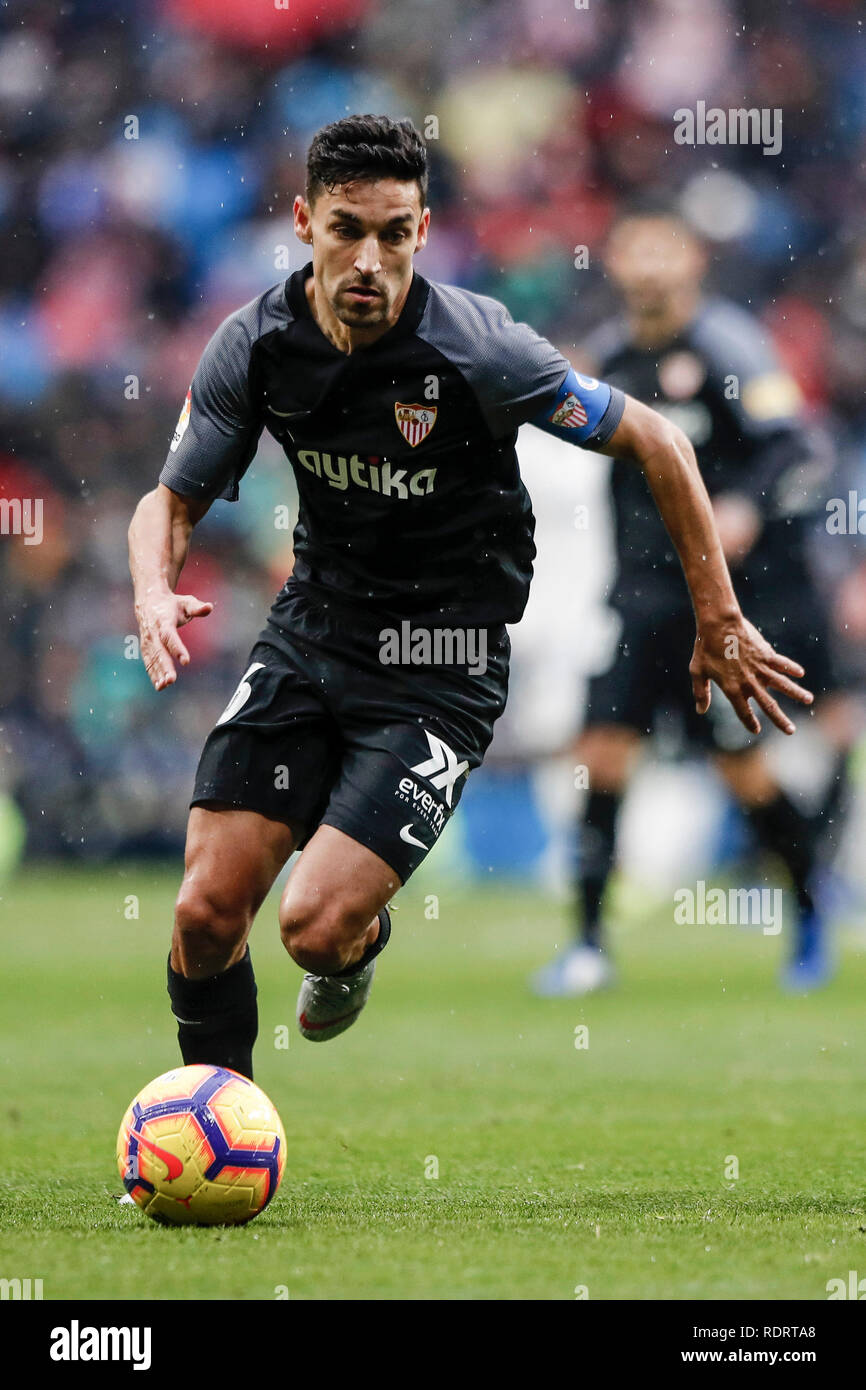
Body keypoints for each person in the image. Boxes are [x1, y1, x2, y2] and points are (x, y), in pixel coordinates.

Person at [128, 118, 812, 1080]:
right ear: (303, 223)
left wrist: (721, 617)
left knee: (313, 929)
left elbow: (658, 440)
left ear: (424, 229)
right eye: (345, 229)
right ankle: (221, 1125)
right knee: (204, 911)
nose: (370, 258)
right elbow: (171, 501)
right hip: (310, 636)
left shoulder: (480, 348)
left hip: (440, 664)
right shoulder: (255, 344)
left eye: (395, 233)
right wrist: (155, 589)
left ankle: (359, 945)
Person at [531, 203, 843, 999]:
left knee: (744, 772)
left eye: (665, 250)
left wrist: (744, 505)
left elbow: (797, 445)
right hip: (636, 601)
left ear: (692, 261)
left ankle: (811, 917)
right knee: (599, 758)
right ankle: (590, 945)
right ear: (616, 262)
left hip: (716, 606)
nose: (650, 266)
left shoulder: (728, 348)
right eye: (636, 250)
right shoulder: (609, 362)